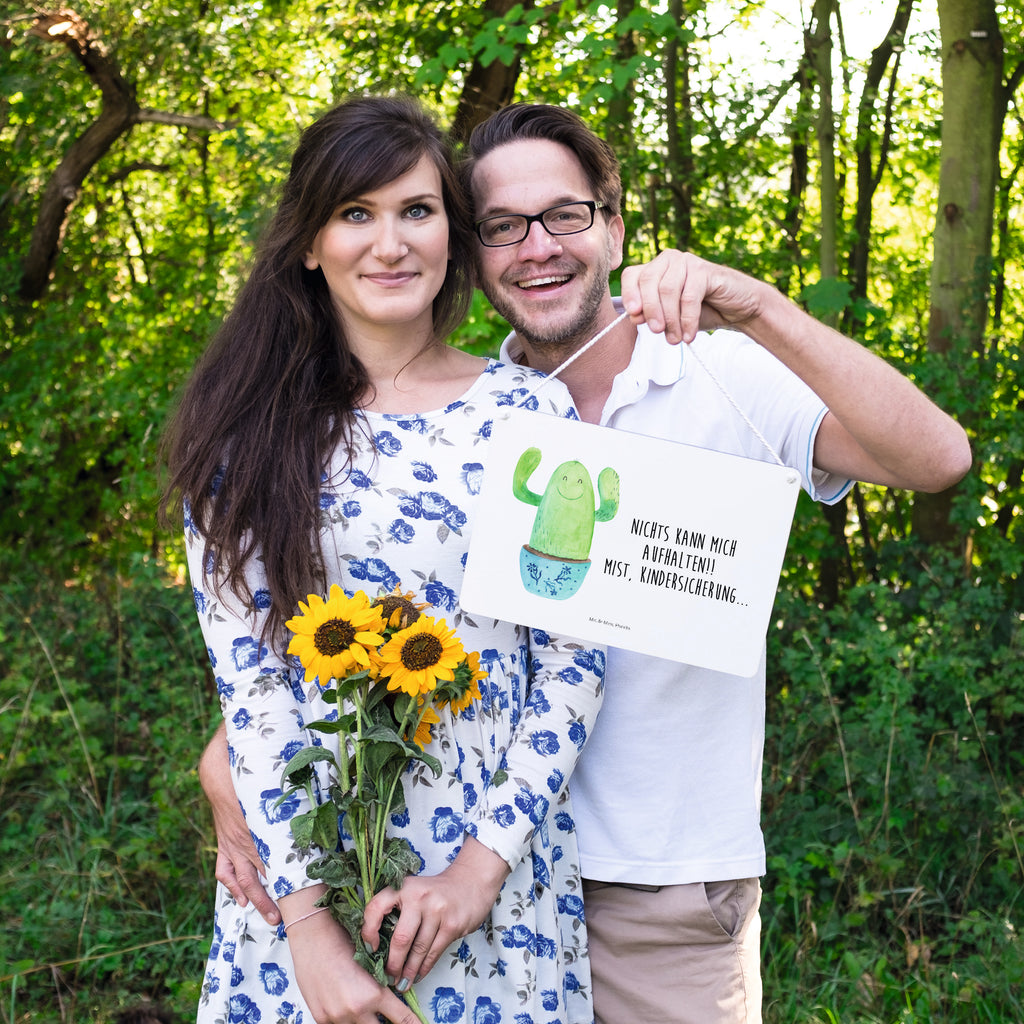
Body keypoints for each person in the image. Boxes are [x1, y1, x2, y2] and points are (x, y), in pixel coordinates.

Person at [202, 102, 972, 1024]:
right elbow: (325, 636)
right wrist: (235, 772)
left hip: (649, 888)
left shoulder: (710, 374)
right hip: (415, 875)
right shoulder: (455, 416)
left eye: (565, 215)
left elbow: (937, 461)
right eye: (502, 226)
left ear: (612, 225)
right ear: (474, 250)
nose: (537, 247)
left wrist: (759, 306)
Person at [163, 96, 609, 1024]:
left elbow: (574, 660)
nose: (391, 243)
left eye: (417, 210)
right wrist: (311, 936)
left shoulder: (533, 417)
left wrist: (478, 873)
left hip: (491, 886)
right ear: (309, 244)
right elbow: (253, 691)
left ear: (452, 229)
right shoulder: (244, 439)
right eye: (355, 214)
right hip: (303, 883)